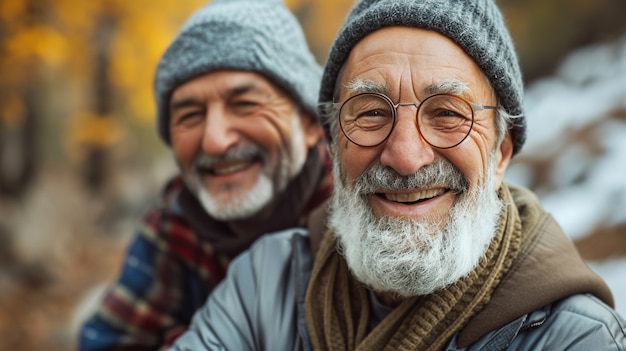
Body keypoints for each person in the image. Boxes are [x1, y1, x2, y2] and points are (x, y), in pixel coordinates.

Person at [168, 0, 626, 350]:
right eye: (369, 113)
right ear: (333, 144)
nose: (405, 156)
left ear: (500, 151)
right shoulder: (266, 281)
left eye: (448, 113)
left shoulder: (571, 337)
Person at [78, 0, 332, 349]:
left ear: (308, 124)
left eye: (244, 104)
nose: (214, 141)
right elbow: (109, 341)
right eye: (190, 115)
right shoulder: (176, 221)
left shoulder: (359, 215)